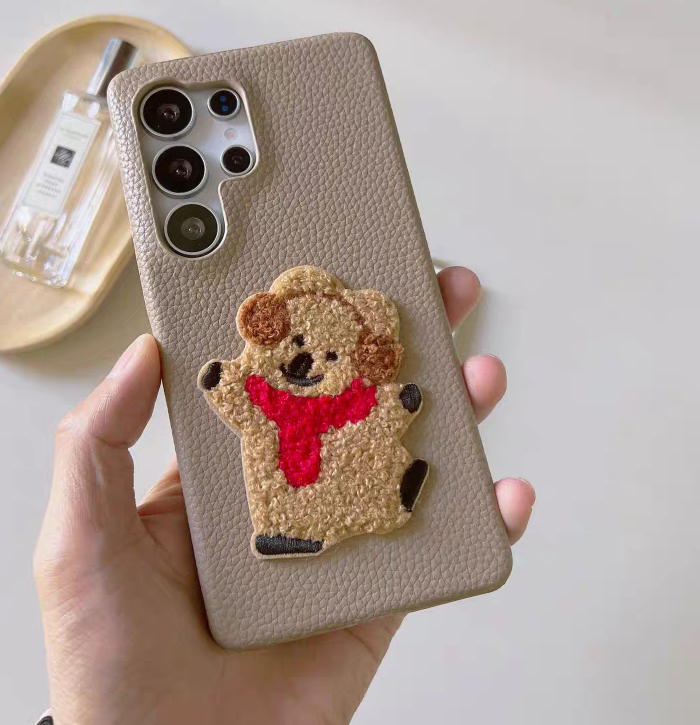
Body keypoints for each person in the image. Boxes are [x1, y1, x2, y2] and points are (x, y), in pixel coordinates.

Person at [34, 267, 535, 725]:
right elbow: (238, 391)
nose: (307, 361)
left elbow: (376, 409)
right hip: (281, 474)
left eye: (331, 356)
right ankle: (300, 531)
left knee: (364, 469)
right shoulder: (263, 394)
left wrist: (399, 403)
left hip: (340, 463)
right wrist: (221, 381)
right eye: (297, 343)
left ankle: (395, 496)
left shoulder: (353, 400)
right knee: (292, 502)